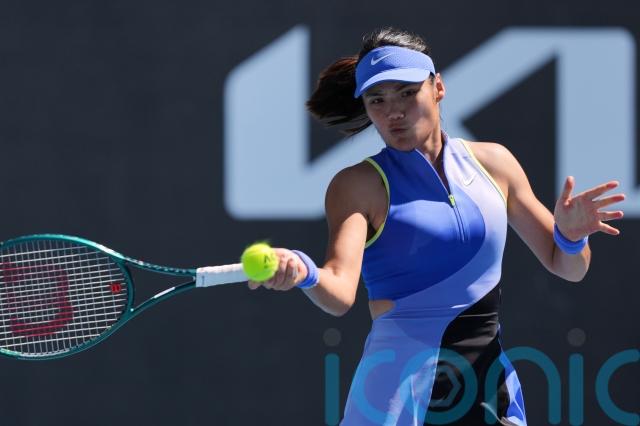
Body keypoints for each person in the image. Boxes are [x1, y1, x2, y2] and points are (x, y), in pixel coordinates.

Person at [247, 27, 626, 425]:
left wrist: (570, 237)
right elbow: (339, 293)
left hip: (487, 388)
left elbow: (569, 266)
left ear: (438, 87)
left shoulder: (495, 164)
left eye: (407, 93)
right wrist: (304, 271)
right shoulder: (357, 185)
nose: (393, 112)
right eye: (377, 100)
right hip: (396, 398)